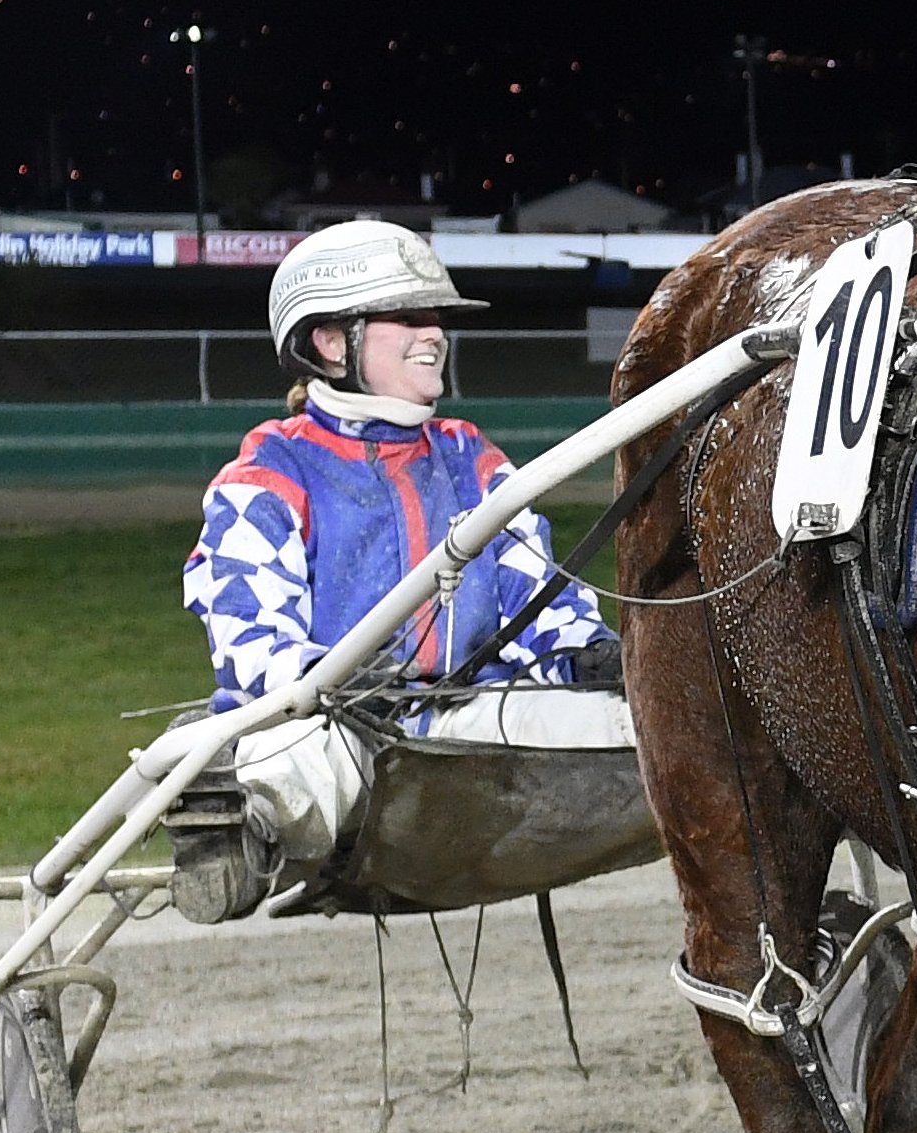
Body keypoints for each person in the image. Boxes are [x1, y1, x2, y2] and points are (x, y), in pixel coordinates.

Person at [174, 220, 618, 912]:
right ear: (329, 342)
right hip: (341, 732)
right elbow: (252, 647)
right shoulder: (267, 473)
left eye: (436, 317)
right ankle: (241, 834)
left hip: (474, 723)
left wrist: (589, 655)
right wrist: (343, 682)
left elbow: (540, 600)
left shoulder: (472, 458)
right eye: (407, 317)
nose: (434, 334)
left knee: (640, 727)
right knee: (289, 761)